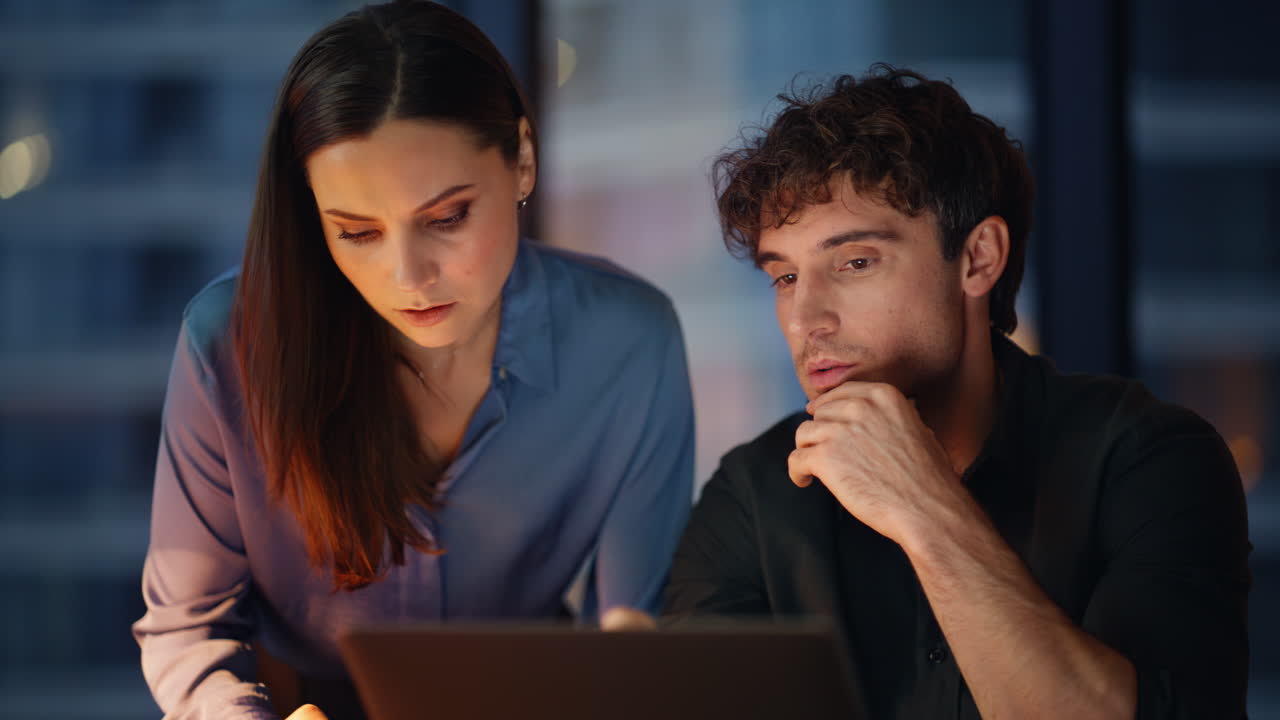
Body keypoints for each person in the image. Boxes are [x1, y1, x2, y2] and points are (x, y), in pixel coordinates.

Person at [132, 2, 694, 718]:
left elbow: (631, 634)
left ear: (523, 160)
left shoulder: (629, 344)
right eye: (357, 233)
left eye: (447, 218)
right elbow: (189, 632)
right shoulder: (228, 346)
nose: (409, 277)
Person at [663, 65, 1250, 719]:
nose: (806, 320)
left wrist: (924, 508)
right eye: (786, 277)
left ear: (978, 258)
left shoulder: (1151, 459)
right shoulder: (753, 493)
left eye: (854, 262)